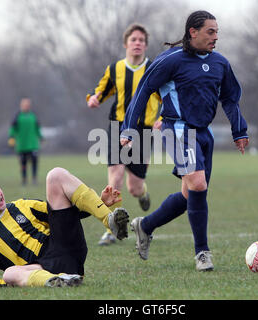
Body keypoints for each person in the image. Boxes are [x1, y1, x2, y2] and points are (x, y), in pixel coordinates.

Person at [120, 10, 249, 271]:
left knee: (190, 194)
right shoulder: (171, 60)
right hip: (177, 130)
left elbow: (230, 98)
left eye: (217, 32)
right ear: (193, 32)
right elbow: (144, 90)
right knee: (198, 184)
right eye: (210, 32)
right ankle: (202, 253)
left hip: (203, 133)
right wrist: (128, 129)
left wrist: (239, 131)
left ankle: (145, 226)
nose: (216, 37)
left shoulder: (220, 63)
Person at [0, 167, 129, 287]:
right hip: (41, 268)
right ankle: (60, 281)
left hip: (63, 244)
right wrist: (8, 283)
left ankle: (109, 220)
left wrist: (98, 203)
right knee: (9, 273)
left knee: (55, 175)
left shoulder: (22, 206)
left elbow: (63, 214)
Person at [87, 23, 162, 246]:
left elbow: (167, 96)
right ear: (126, 44)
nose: (137, 43)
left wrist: (163, 117)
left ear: (146, 45)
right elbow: (101, 90)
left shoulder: (155, 69)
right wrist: (93, 99)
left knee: (134, 187)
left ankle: (143, 193)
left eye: (141, 40)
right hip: (117, 126)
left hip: (143, 130)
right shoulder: (115, 69)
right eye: (133, 39)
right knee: (116, 176)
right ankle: (111, 227)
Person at [8, 97, 42, 186]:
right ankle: (24, 180)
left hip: (33, 145)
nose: (26, 106)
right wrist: (11, 137)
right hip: (22, 145)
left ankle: (34, 179)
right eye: (24, 105)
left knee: (34, 162)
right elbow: (13, 128)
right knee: (23, 163)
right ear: (21, 105)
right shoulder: (18, 116)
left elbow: (37, 128)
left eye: (28, 105)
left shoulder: (33, 116)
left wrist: (41, 137)